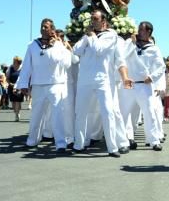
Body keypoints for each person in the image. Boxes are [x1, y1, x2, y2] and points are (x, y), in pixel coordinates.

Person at [72, 9, 125, 156]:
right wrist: (86, 36)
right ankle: (79, 144)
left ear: (103, 21)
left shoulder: (111, 36)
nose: (92, 21)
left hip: (102, 79)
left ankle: (112, 147)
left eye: (95, 19)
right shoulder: (88, 35)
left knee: (108, 112)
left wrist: (92, 36)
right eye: (91, 19)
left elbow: (99, 49)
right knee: (81, 112)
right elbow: (76, 50)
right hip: (85, 80)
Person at [16, 18, 73, 152]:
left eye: (46, 27)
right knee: (36, 114)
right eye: (42, 26)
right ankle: (32, 141)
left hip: (56, 84)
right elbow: (26, 66)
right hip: (38, 85)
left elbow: (66, 63)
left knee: (58, 115)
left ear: (52, 30)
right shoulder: (32, 45)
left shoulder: (59, 45)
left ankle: (60, 144)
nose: (43, 29)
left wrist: (58, 45)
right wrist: (23, 83)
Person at [119, 21, 165, 150]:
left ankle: (154, 140)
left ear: (148, 32)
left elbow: (161, 66)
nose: (139, 32)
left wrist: (152, 77)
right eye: (138, 29)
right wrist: (131, 43)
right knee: (124, 113)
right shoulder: (130, 44)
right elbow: (121, 57)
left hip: (145, 86)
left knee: (149, 113)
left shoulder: (154, 49)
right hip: (129, 84)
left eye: (141, 30)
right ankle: (125, 139)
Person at [7, 56, 24, 121]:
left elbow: (24, 77)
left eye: (15, 61)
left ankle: (17, 114)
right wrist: (10, 83)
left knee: (18, 101)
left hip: (19, 87)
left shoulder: (22, 68)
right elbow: (7, 78)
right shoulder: (10, 68)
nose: (14, 62)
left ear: (19, 62)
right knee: (13, 102)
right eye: (13, 61)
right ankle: (16, 112)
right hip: (11, 86)